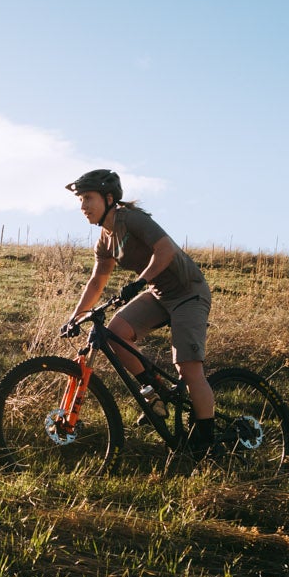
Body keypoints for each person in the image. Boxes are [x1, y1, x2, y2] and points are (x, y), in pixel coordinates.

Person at [60, 169, 218, 454]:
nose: (83, 206)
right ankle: (155, 392)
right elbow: (97, 281)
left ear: (109, 198)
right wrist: (76, 316)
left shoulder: (131, 219)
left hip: (188, 292)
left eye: (88, 198)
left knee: (187, 367)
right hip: (159, 293)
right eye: (80, 200)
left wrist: (140, 281)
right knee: (114, 334)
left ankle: (206, 440)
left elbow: (166, 250)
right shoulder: (105, 241)